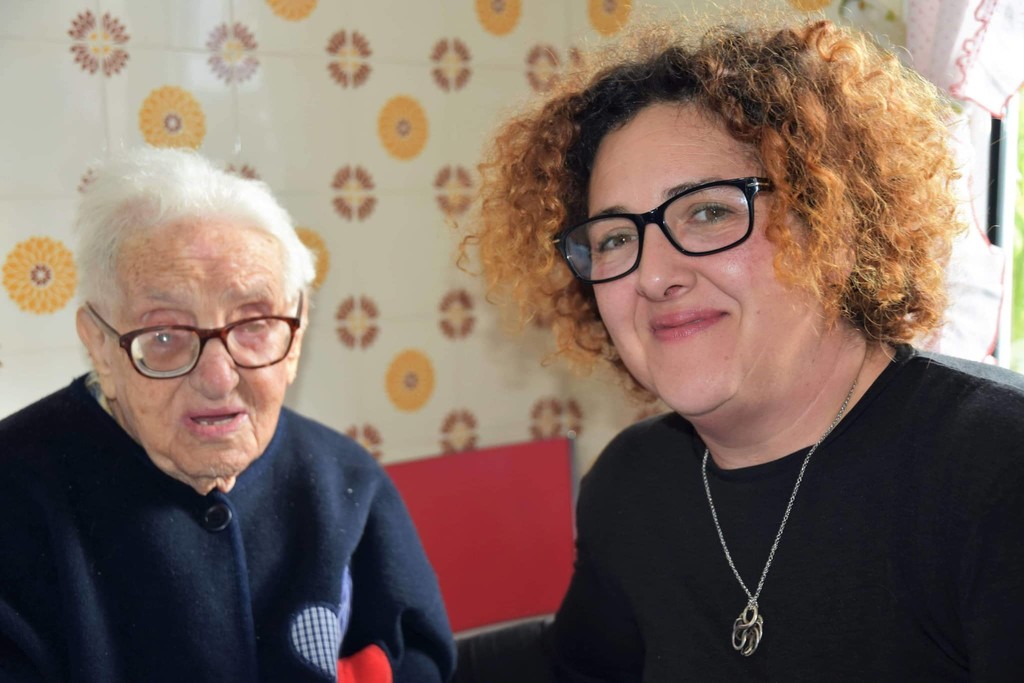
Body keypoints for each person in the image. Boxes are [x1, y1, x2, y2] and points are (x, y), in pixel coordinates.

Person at [455, 17, 1024, 682]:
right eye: (615, 238)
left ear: (834, 229)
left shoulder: (996, 469)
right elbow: (573, 669)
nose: (654, 275)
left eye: (708, 212)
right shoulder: (635, 484)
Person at [0, 147, 455, 683]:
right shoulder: (15, 493)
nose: (218, 377)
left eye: (254, 324)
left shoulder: (347, 480)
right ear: (100, 346)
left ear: (296, 337)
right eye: (164, 335)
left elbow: (419, 661)